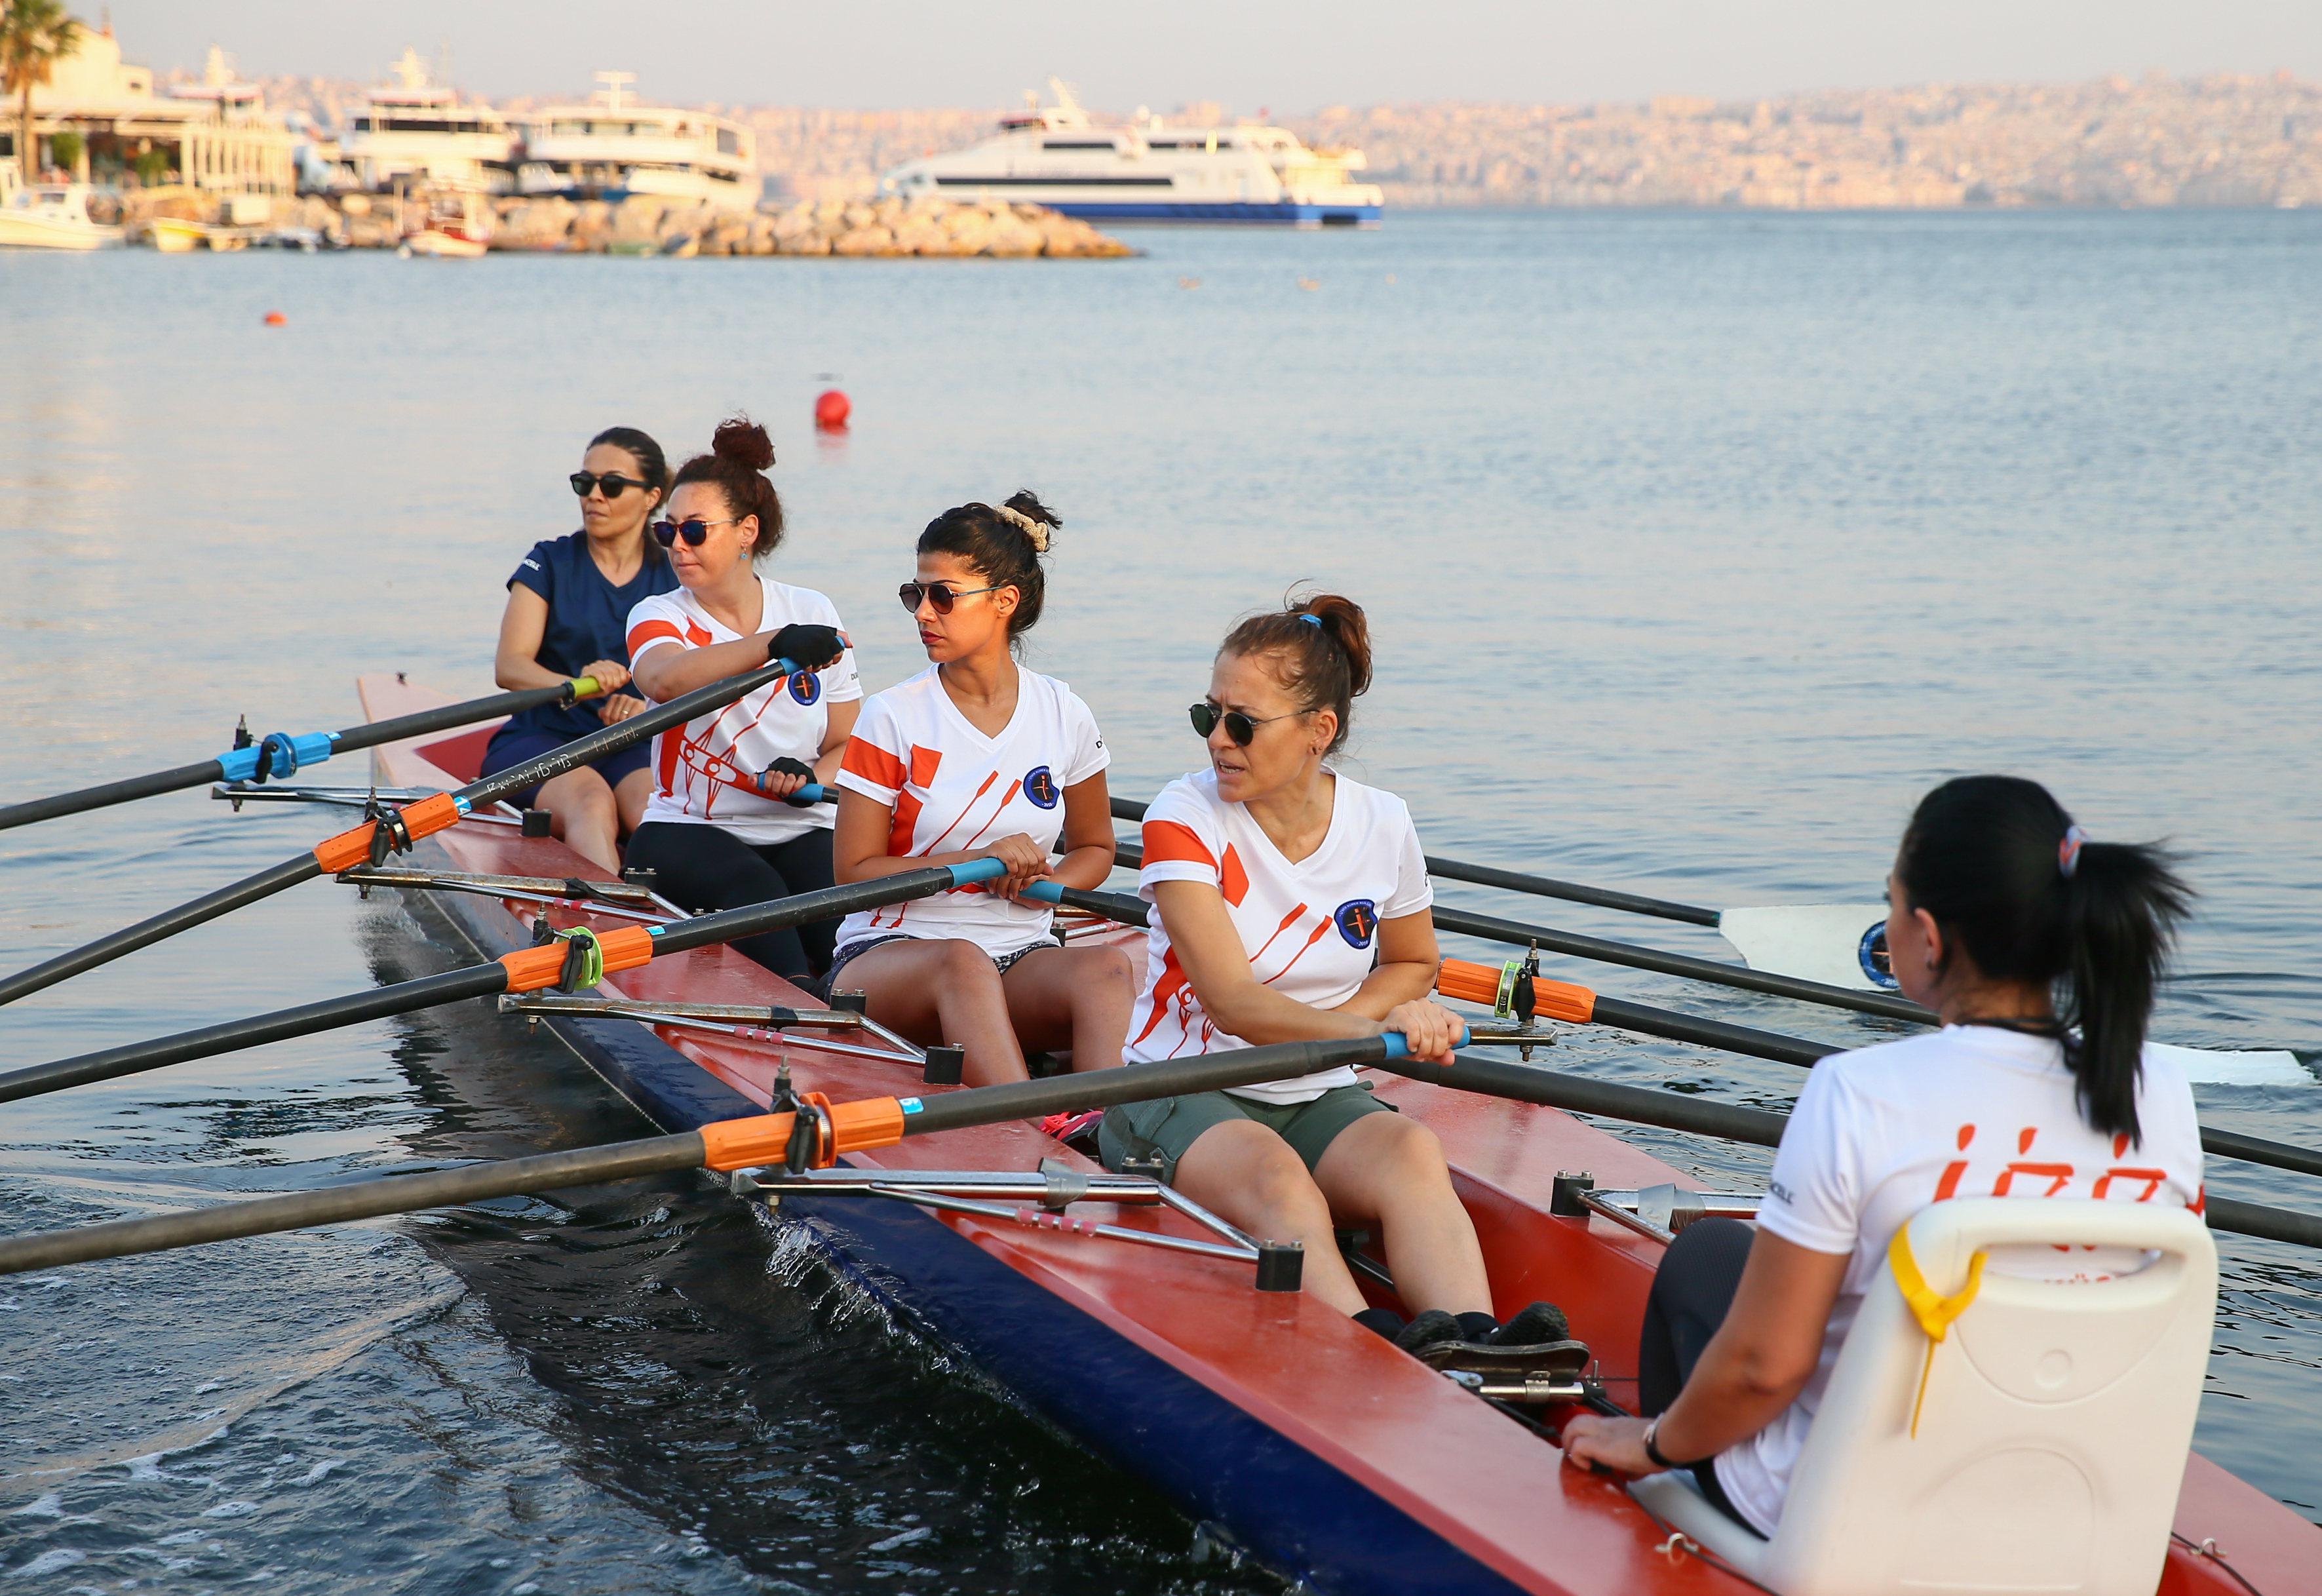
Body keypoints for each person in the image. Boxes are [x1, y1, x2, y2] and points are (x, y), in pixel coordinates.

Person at [1560, 775, 2202, 1538]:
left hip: (1843, 1517)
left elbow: (1765, 1366)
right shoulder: (2161, 1092)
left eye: (1890, 901)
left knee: (1705, 1253)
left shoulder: (1858, 1090)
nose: (1888, 921)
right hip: (2066, 1507)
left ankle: (1676, 1532)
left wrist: (1652, 1442)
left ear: (1929, 936)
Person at [1097, 595, 1566, 1354]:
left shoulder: (1383, 821)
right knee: (1277, 1176)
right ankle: (1371, 1347)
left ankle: (1480, 1345)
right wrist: (1376, 1022)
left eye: (1243, 722)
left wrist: (1388, 1009)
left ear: (1319, 730)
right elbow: (1234, 1004)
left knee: (1413, 1152)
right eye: (1209, 714)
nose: (1218, 738)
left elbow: (1414, 962)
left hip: (1316, 1088)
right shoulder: (1182, 816)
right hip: (1179, 1087)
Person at [828, 492, 1134, 1087]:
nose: (923, 613)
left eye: (942, 595)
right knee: (963, 962)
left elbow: (1096, 847)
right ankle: (1028, 1125)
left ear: (1004, 601)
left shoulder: (1064, 711)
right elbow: (852, 873)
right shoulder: (891, 716)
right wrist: (978, 861)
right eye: (914, 594)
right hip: (890, 954)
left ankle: (1112, 1127)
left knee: (1108, 968)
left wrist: (1046, 886)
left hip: (1021, 953)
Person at [622, 418, 859, 983]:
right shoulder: (658, 614)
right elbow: (663, 680)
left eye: (695, 531)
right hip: (687, 829)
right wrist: (772, 645)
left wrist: (811, 776)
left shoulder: (811, 610)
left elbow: (848, 741)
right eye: (667, 531)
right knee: (758, 892)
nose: (678, 546)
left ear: (747, 531)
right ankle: (797, 1005)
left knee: (848, 931)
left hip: (802, 825)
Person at [482, 425, 681, 872]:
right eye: (584, 483)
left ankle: (681, 911)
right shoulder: (549, 562)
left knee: (654, 812)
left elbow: (697, 671)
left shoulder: (675, 574)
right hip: (542, 738)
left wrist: (647, 705)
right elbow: (510, 666)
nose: (594, 496)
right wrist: (576, 684)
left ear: (651, 497)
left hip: (633, 743)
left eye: (611, 485)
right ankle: (605, 912)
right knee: (592, 802)